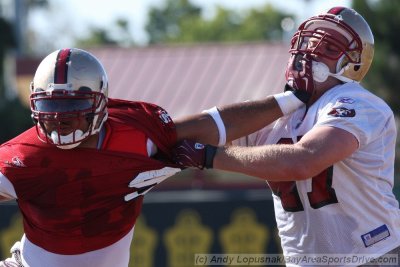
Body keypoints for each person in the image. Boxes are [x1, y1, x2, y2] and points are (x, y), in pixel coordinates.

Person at [0, 48, 308, 267]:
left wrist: (291, 99)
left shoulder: (138, 136)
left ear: (101, 102)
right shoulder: (21, 158)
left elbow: (214, 123)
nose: (60, 119)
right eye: (51, 108)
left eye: (71, 108)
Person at [172, 7, 400, 267]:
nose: (308, 52)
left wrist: (210, 156)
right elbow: (211, 128)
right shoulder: (283, 111)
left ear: (352, 64)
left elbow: (304, 160)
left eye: (327, 48)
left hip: (373, 256)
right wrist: (161, 130)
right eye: (308, 42)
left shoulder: (358, 102)